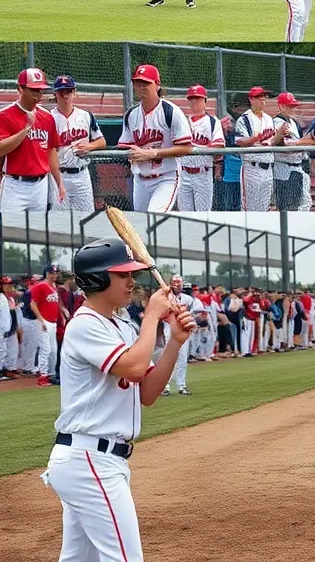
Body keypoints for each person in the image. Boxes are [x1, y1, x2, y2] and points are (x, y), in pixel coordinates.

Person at [42, 238, 195, 562]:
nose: (132, 281)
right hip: (89, 460)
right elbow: (136, 366)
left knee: (79, 559)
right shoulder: (84, 325)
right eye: (122, 275)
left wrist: (174, 344)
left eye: (131, 274)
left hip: (97, 459)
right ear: (97, 279)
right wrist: (152, 317)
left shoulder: (121, 325)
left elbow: (148, 392)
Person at [117, 64, 193, 212]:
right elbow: (125, 145)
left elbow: (186, 148)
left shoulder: (170, 111)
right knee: (141, 224)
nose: (141, 87)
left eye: (146, 83)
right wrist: (131, 154)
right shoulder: (131, 115)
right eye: (137, 83)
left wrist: (153, 153)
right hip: (140, 179)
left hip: (166, 177)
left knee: (154, 216)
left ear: (157, 85)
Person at [0, 67, 67, 212]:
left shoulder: (47, 116)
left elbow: (51, 151)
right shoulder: (5, 115)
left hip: (40, 185)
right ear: (20, 89)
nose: (38, 94)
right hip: (15, 184)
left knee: (36, 231)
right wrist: (26, 129)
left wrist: (59, 181)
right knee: (11, 230)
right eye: (33, 90)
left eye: (40, 90)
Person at [49, 75, 105, 212]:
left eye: (68, 90)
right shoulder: (49, 118)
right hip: (59, 175)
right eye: (61, 91)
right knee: (60, 222)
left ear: (74, 92)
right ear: (55, 93)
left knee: (86, 218)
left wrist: (89, 146)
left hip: (82, 175)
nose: (65, 95)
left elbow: (102, 141)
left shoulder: (86, 116)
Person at [179, 85, 224, 212]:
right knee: (184, 216)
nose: (195, 102)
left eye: (198, 99)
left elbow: (219, 144)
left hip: (203, 174)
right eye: (192, 99)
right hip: (183, 174)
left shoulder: (212, 122)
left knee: (203, 215)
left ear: (205, 101)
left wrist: (196, 148)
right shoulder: (183, 122)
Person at [235, 86, 277, 212]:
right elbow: (240, 141)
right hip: (252, 168)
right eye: (259, 96)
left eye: (264, 96)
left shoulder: (269, 119)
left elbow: (272, 141)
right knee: (250, 209)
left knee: (264, 208)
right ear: (251, 99)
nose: (263, 99)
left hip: (268, 167)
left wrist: (280, 135)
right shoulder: (244, 119)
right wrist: (256, 138)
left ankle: (262, 231)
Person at [271, 92, 312, 211]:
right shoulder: (278, 122)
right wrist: (304, 141)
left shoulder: (293, 122)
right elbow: (286, 144)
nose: (292, 108)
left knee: (304, 204)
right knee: (288, 206)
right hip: (284, 167)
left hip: (298, 166)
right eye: (289, 105)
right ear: (281, 106)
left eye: (292, 105)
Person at [28, 266, 63, 387]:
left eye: (56, 273)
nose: (55, 275)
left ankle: (51, 375)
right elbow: (33, 304)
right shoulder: (40, 286)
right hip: (43, 321)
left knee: (53, 350)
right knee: (46, 349)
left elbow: (55, 304)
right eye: (52, 273)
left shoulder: (54, 287)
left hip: (53, 321)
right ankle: (42, 376)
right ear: (47, 274)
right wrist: (41, 320)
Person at [217, 94, 249, 211]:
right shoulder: (227, 126)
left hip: (242, 174)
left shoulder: (244, 123)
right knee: (229, 205)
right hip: (229, 175)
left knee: (239, 205)